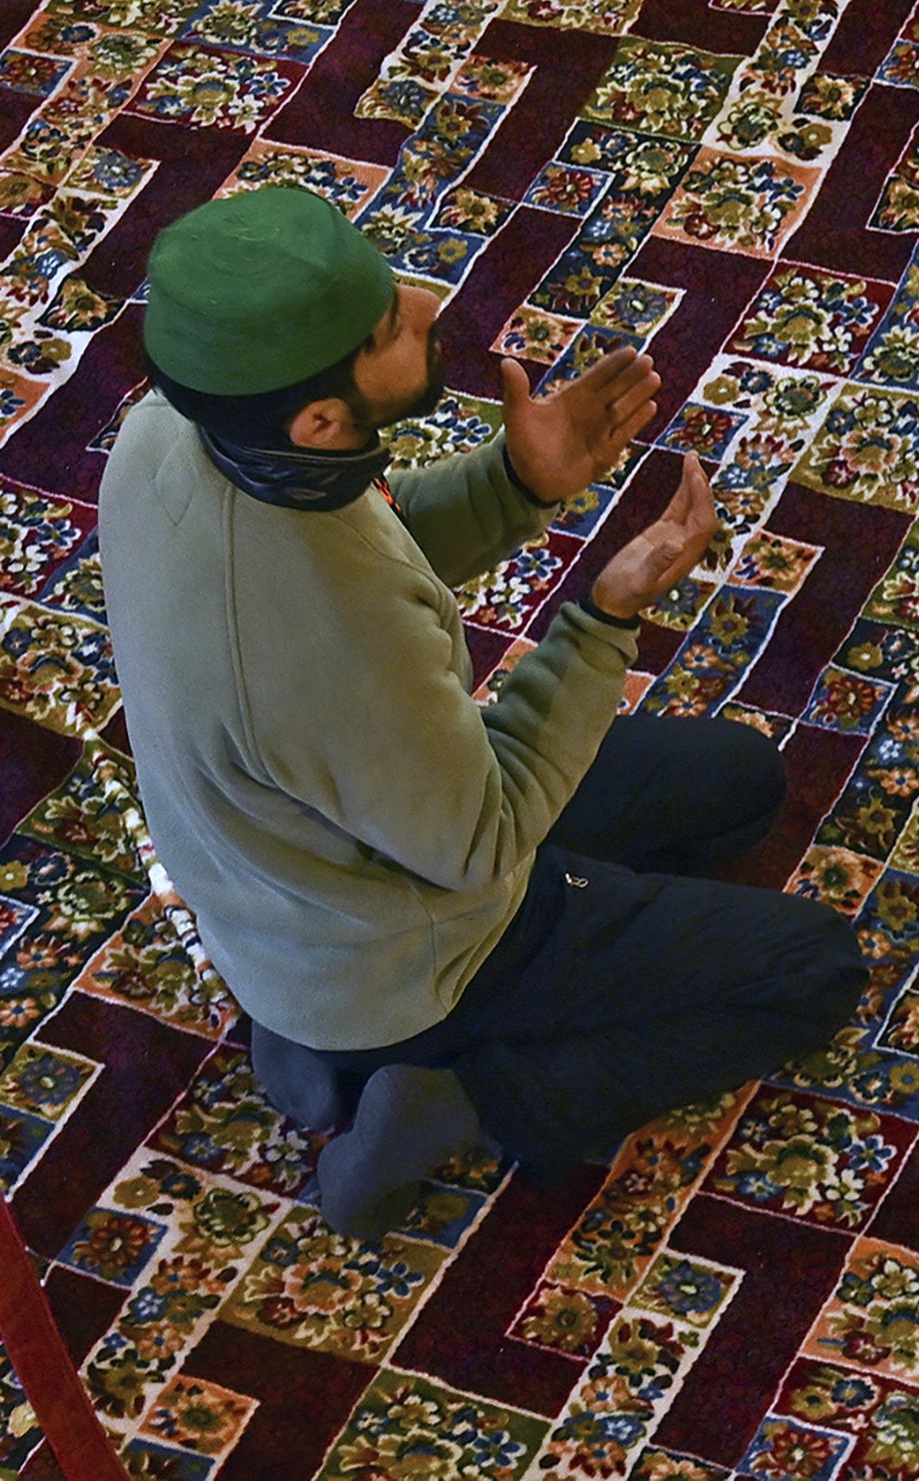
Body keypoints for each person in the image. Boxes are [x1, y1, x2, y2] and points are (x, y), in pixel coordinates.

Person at [96, 184, 868, 1240]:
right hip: (406, 945)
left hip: (297, 891)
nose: (428, 304)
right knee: (810, 970)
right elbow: (484, 839)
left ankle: (316, 1033)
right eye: (388, 328)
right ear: (320, 418)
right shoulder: (327, 647)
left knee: (738, 787)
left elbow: (362, 537)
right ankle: (456, 1093)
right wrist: (606, 619)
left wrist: (515, 482)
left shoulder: (171, 431)